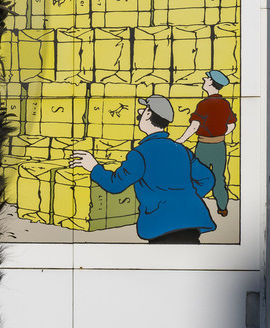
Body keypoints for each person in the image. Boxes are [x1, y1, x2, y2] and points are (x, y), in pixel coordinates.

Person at [70, 94, 216, 243]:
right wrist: (183, 199)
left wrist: (94, 167)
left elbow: (115, 184)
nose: (140, 112)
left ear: (148, 115)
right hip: (191, 221)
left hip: (161, 225)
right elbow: (207, 179)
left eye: (144, 109)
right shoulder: (181, 150)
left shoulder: (140, 153)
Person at [180, 70, 237, 218]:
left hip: (204, 146)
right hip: (219, 146)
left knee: (198, 177)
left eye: (207, 78)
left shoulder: (204, 104)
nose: (204, 79)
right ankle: (222, 208)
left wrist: (181, 140)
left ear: (211, 82)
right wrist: (220, 134)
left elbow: (194, 126)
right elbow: (231, 125)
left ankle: (193, 207)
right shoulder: (225, 104)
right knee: (219, 178)